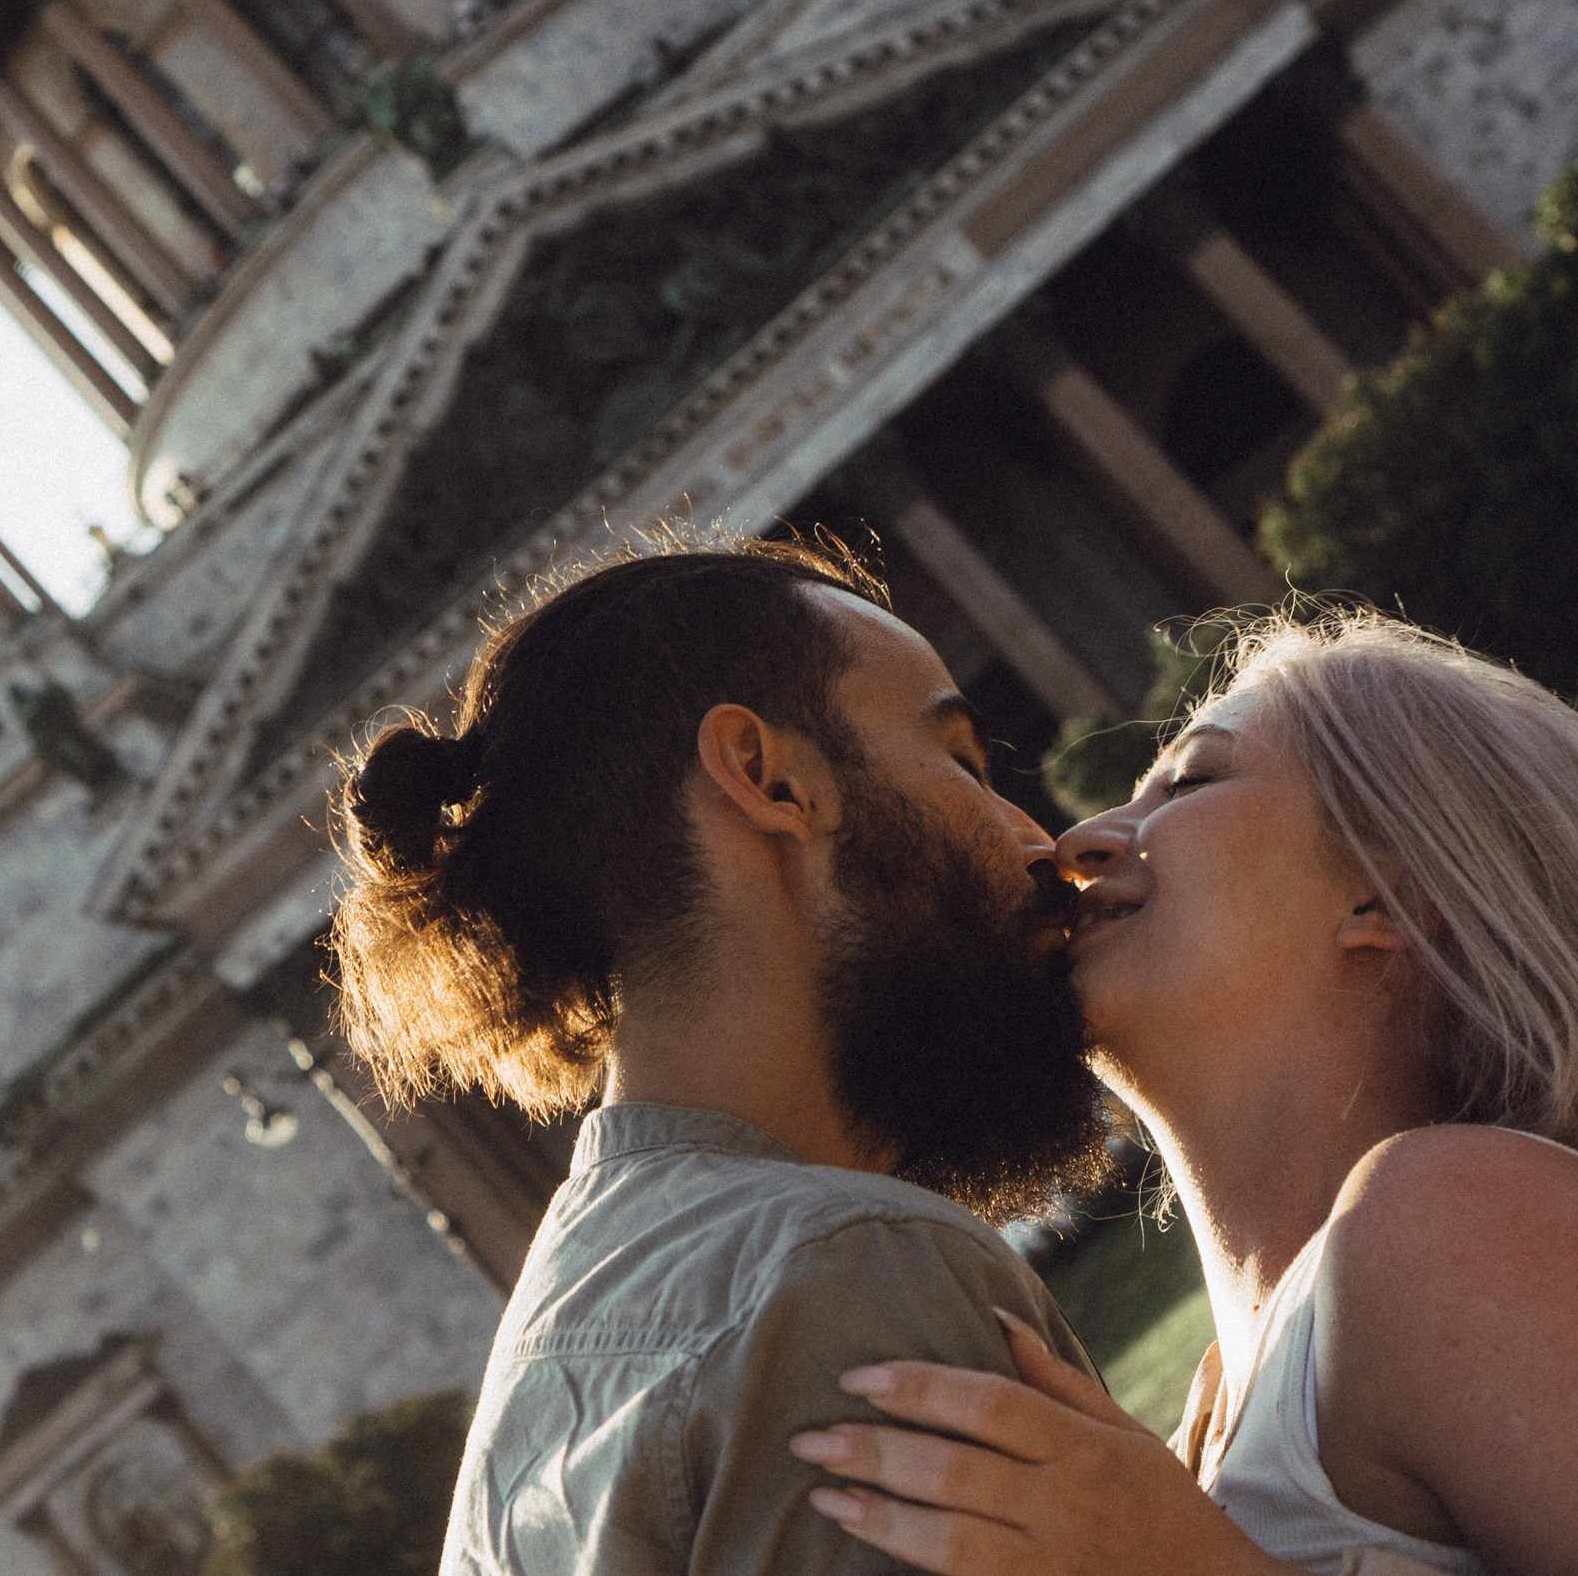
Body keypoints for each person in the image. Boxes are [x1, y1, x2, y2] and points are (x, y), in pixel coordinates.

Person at [789, 606, 1578, 1576]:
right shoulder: (1198, 1427)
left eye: (1187, 781)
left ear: (1395, 892)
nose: (1074, 844)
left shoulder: (1446, 1223)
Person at [328, 534, 1118, 1576]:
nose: (1035, 838)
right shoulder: (843, 1267)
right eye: (964, 763)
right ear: (768, 779)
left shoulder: (541, 1362)